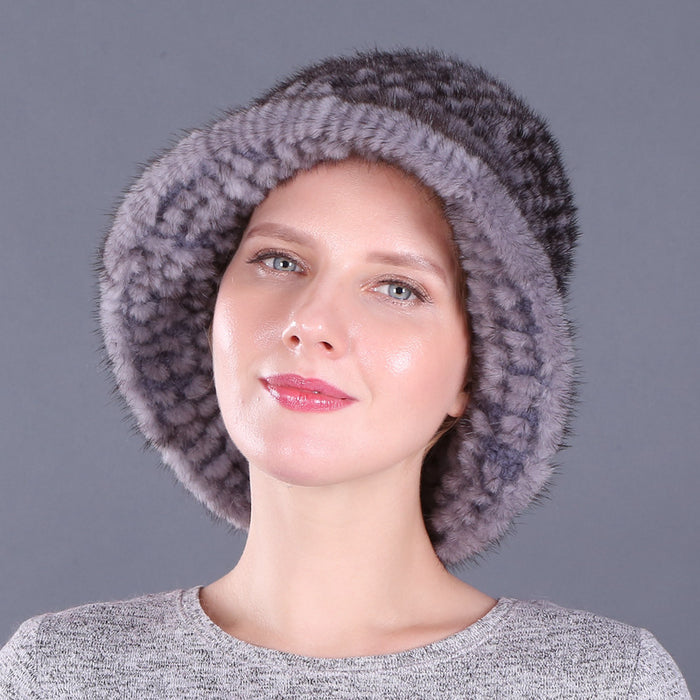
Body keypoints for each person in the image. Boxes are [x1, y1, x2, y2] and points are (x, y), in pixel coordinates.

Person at [0, 48, 690, 698]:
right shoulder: (61, 674)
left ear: (479, 370)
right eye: (278, 260)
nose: (309, 321)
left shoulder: (602, 683)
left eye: (397, 288)